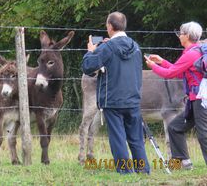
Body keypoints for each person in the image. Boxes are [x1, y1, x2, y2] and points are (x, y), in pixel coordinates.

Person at [82, 12, 150, 174]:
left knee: (118, 137)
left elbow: (88, 67)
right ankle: (143, 169)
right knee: (136, 138)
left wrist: (91, 51)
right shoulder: (136, 46)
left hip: (112, 100)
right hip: (133, 99)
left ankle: (125, 171)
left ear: (110, 26)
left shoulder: (107, 48)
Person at [145, 21, 206, 170]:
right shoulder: (194, 52)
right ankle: (183, 162)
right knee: (175, 127)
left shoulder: (191, 54)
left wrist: (154, 67)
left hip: (200, 99)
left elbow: (170, 74)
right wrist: (162, 61)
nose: (179, 36)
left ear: (187, 36)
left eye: (180, 33)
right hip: (194, 99)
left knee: (203, 134)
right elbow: (177, 69)